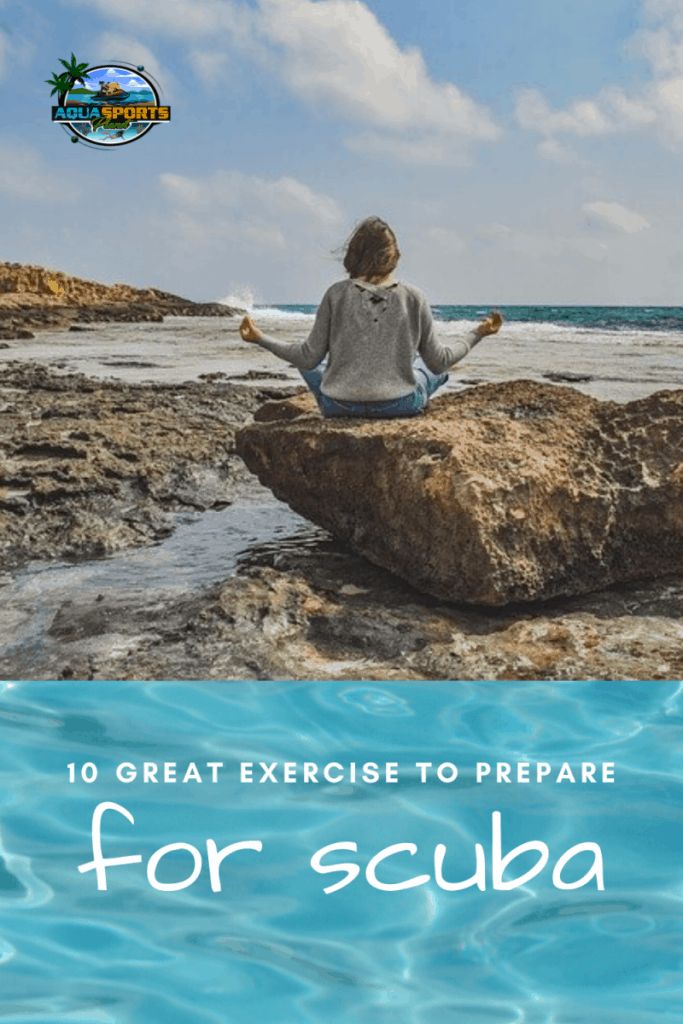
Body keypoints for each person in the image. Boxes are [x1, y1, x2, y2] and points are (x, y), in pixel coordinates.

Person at [238, 216, 503, 418]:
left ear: (353, 255)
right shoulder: (414, 297)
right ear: (394, 256)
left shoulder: (335, 294)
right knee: (428, 368)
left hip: (337, 405)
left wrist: (260, 338)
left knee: (307, 360)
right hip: (399, 405)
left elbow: (308, 358)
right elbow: (440, 360)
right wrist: (478, 332)